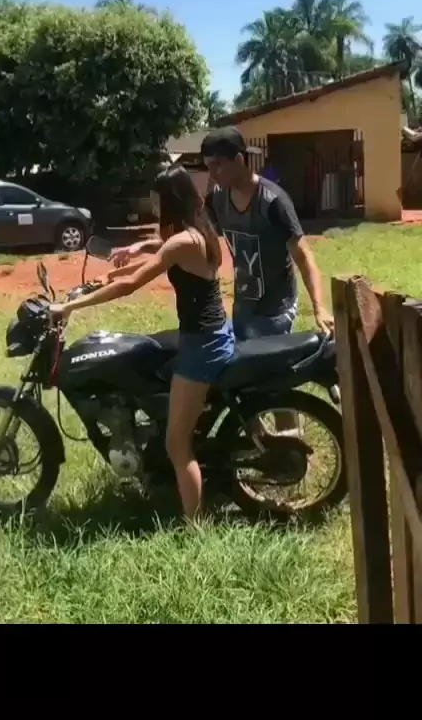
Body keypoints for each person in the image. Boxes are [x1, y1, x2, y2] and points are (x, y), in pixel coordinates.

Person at [49, 166, 235, 522]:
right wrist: (132, 251)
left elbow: (132, 283)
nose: (153, 205)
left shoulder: (183, 241)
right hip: (210, 333)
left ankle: (196, 527)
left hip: (202, 345)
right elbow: (160, 250)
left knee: (177, 444)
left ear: (170, 201)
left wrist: (71, 306)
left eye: (157, 200)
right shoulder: (202, 230)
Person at [201, 126, 334, 436]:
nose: (212, 173)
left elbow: (304, 256)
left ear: (239, 160)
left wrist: (319, 307)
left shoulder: (272, 201)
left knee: (272, 384)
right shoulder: (217, 200)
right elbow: (195, 235)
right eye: (208, 166)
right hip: (244, 304)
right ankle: (259, 445)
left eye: (217, 165)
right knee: (239, 379)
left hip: (276, 307)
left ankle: (291, 446)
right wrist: (147, 247)